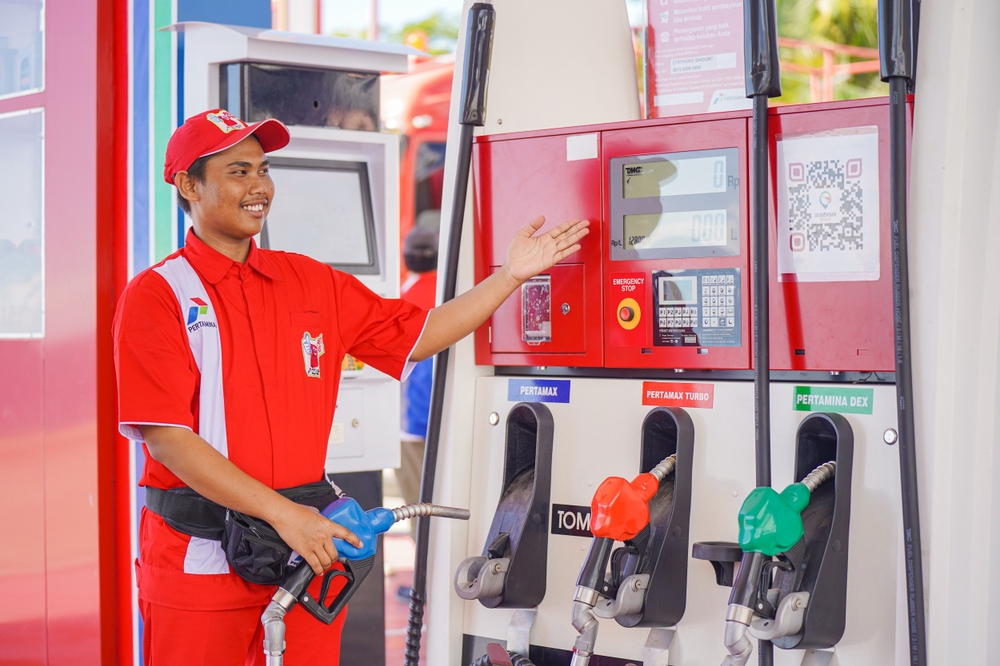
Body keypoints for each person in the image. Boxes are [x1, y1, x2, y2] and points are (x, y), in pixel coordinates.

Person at [113, 108, 588, 666]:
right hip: (201, 560)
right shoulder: (158, 295)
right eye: (238, 171)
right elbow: (168, 437)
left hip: (307, 554)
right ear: (188, 184)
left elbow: (422, 333)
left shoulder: (309, 281)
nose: (259, 187)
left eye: (264, 170)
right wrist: (283, 516)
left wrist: (509, 275)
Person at [397, 225, 438, 541]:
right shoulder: (451, 289)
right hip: (446, 417)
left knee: (418, 506)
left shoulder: (403, 295)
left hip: (413, 424)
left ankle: (422, 582)